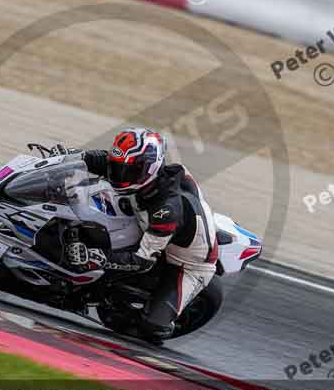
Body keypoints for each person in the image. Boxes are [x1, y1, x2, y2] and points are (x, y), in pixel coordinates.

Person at [52, 128, 219, 342]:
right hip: (158, 227)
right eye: (118, 167)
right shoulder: (143, 176)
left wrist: (96, 256)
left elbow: (142, 261)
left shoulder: (166, 210)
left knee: (153, 327)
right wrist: (72, 157)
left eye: (127, 171)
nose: (119, 174)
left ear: (148, 169)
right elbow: (106, 161)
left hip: (187, 264)